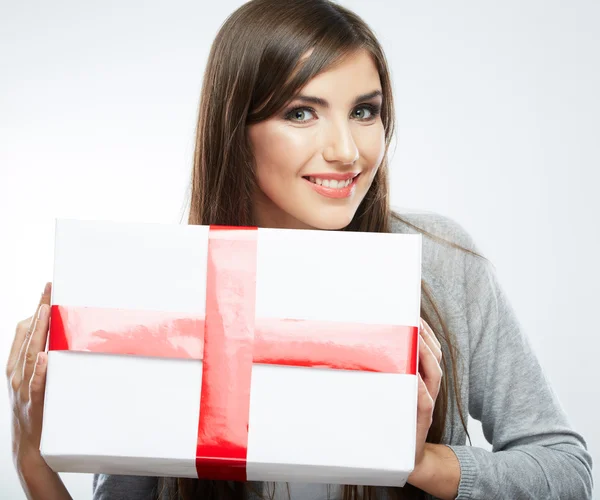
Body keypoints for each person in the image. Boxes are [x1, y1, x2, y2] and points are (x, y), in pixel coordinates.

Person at [7, 0, 593, 499]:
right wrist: (33, 458)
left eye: (364, 111)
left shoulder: (438, 260)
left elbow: (567, 470)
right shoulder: (170, 283)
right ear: (237, 128)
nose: (347, 150)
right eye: (301, 113)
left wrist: (419, 463)